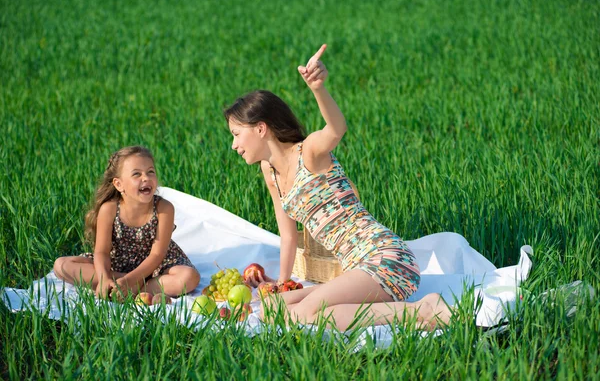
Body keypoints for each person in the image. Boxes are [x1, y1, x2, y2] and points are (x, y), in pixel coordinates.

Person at [224, 45, 453, 331]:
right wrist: (281, 285)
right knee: (271, 309)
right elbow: (287, 235)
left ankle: (422, 310)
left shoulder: (308, 153)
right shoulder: (269, 171)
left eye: (236, 134)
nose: (233, 145)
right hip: (356, 269)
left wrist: (318, 89)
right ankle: (406, 310)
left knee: (305, 315)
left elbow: (336, 129)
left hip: (384, 258)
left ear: (260, 129)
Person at [53, 146, 200, 299]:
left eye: (150, 172)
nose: (146, 178)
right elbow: (101, 252)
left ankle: (128, 287)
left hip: (156, 268)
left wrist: (130, 281)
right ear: (118, 184)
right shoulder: (109, 209)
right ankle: (115, 285)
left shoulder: (164, 208)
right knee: (60, 265)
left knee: (189, 277)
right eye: (137, 174)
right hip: (118, 264)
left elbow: (157, 254)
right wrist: (104, 278)